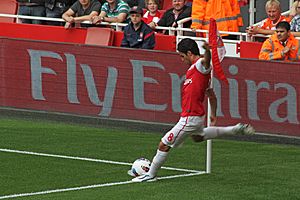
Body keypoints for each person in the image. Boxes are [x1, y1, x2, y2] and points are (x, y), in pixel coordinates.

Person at [131, 38, 255, 183]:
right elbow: (211, 95)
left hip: (190, 117)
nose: (181, 59)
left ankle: (150, 175)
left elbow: (206, 62)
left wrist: (207, 51)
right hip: (196, 116)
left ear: (189, 53)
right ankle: (234, 129)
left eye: (182, 56)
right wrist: (213, 114)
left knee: (164, 144)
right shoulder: (196, 73)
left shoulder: (200, 65)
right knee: (198, 137)